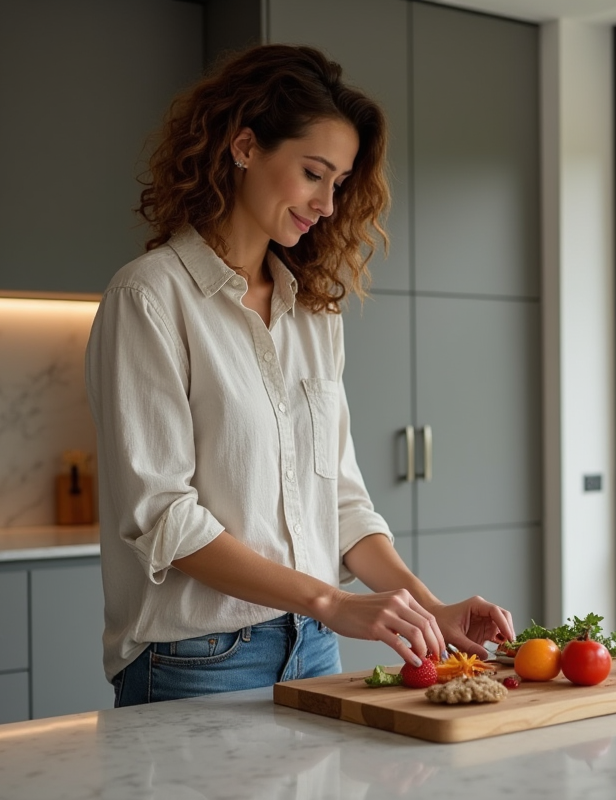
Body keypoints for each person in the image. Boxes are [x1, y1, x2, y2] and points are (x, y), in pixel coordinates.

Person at [85, 44, 515, 707]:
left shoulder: (314, 314)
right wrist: (334, 602)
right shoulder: (149, 296)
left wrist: (430, 609)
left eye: (339, 183)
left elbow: (341, 501)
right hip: (197, 660)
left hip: (315, 647)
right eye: (314, 173)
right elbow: (163, 516)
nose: (328, 204)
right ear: (245, 146)